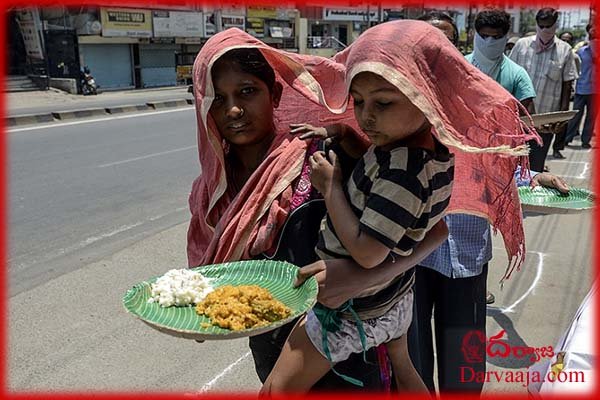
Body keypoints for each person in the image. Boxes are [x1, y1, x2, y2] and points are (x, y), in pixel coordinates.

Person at [260, 19, 538, 393]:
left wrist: (330, 188)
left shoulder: (404, 171)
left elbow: (369, 252)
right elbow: (374, 175)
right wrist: (340, 133)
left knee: (276, 389)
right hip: (395, 296)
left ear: (425, 97)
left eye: (383, 103)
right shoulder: (413, 151)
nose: (366, 116)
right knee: (407, 374)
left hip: (355, 308)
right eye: (358, 102)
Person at [187, 29, 449, 391]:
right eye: (217, 98)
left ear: (274, 93)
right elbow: (215, 275)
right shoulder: (212, 193)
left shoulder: (322, 159)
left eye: (247, 91)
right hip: (273, 347)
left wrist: (363, 276)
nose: (232, 109)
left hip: (350, 348)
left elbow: (434, 230)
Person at [410, 10, 570, 394]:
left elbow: (504, 161)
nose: (437, 51)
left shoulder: (482, 97)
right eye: (427, 45)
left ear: (455, 46)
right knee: (413, 362)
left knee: (463, 363)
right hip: (411, 256)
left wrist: (534, 176)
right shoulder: (401, 103)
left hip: (465, 252)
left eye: (444, 43)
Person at [510, 7, 578, 167]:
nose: (545, 29)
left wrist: (561, 118)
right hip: (520, 119)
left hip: (545, 123)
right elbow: (509, 76)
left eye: (549, 26)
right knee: (513, 165)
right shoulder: (522, 46)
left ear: (555, 25)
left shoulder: (565, 51)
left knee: (535, 167)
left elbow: (567, 85)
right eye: (541, 26)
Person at [565, 23, 596, 149]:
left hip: (596, 90)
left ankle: (585, 140)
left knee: (591, 117)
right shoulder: (581, 51)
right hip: (582, 88)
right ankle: (567, 138)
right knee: (576, 115)